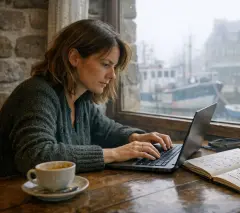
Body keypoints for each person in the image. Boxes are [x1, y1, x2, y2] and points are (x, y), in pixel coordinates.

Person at [0, 19, 172, 177]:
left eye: (114, 67)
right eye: (105, 64)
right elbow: (35, 155)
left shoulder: (80, 100)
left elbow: (106, 130)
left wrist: (135, 137)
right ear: (75, 58)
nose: (112, 75)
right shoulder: (37, 93)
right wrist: (115, 154)